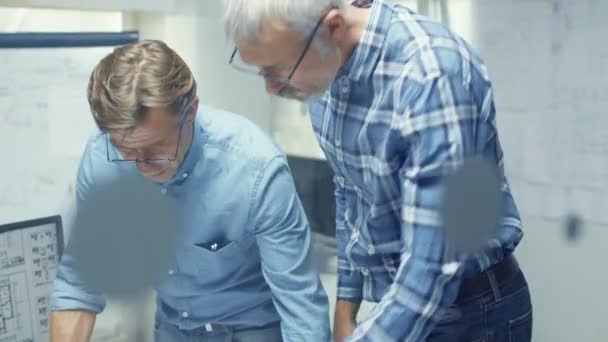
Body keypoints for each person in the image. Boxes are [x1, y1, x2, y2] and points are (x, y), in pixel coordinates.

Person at [221, 0, 532, 341]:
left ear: (333, 28)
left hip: (470, 313)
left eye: (278, 70)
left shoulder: (430, 75)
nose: (271, 88)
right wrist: (346, 307)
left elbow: (433, 268)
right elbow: (351, 192)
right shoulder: (326, 71)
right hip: (401, 303)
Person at [49, 40, 330, 342]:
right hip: (172, 328)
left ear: (191, 111)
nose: (142, 164)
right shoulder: (101, 159)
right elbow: (78, 283)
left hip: (252, 329)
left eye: (157, 148)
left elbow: (301, 306)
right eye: (126, 149)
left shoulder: (255, 169)